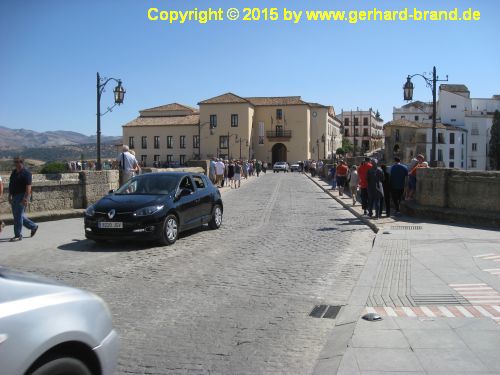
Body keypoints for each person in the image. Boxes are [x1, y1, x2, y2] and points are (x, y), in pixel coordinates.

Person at [8, 157, 38, 241]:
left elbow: (28, 187)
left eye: (17, 162)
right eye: (15, 162)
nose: (15, 164)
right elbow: (11, 184)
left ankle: (18, 235)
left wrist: (25, 198)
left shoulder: (26, 173)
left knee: (18, 216)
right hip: (14, 196)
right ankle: (33, 226)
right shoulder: (14, 172)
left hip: (22, 196)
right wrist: (9, 195)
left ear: (21, 163)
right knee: (18, 216)